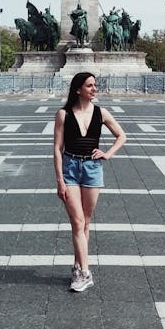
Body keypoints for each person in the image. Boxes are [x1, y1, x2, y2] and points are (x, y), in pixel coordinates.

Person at [53, 72, 127, 293]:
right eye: (90, 86)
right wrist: (60, 180)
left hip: (92, 169)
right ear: (78, 89)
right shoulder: (63, 114)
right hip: (70, 169)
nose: (95, 89)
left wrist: (108, 154)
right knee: (77, 222)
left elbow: (121, 135)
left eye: (95, 85)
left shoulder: (101, 112)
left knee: (85, 221)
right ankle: (85, 272)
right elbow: (57, 149)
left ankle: (77, 266)